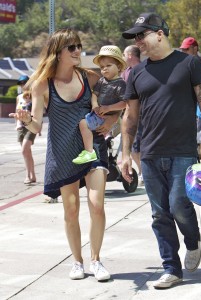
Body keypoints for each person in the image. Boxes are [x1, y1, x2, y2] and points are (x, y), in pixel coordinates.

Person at [121, 12, 201, 289]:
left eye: (141, 35)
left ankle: (192, 242)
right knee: (159, 214)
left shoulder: (189, 64)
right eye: (135, 37)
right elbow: (130, 117)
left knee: (179, 205)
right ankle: (171, 267)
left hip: (183, 151)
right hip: (150, 153)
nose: (138, 41)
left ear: (160, 33)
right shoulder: (136, 73)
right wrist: (125, 153)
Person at [9, 29, 119, 281]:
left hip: (92, 149)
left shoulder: (90, 78)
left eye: (79, 46)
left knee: (97, 205)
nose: (78, 51)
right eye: (72, 48)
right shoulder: (41, 85)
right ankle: (77, 262)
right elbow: (37, 126)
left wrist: (111, 120)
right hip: (63, 150)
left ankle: (96, 260)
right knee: (71, 210)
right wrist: (26, 120)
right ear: (58, 52)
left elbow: (117, 99)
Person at [72, 45, 127, 165]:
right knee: (90, 129)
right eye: (102, 67)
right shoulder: (102, 81)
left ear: (118, 67)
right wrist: (94, 105)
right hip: (100, 114)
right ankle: (95, 152)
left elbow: (124, 103)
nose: (104, 69)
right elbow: (95, 95)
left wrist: (108, 108)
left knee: (83, 124)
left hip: (112, 118)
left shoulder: (121, 84)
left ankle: (89, 151)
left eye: (108, 66)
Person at [121, 45, 144, 185]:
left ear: (129, 55)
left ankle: (143, 171)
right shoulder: (125, 73)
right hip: (131, 116)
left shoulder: (145, 70)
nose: (123, 57)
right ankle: (142, 171)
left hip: (146, 116)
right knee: (134, 147)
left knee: (142, 147)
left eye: (124, 54)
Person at [15, 75, 37, 185]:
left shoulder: (34, 95)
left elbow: (38, 113)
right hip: (20, 127)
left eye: (24, 82)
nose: (23, 85)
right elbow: (16, 111)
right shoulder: (19, 97)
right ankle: (32, 175)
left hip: (30, 126)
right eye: (21, 83)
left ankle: (27, 176)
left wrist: (39, 127)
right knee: (27, 152)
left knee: (24, 150)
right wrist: (17, 124)